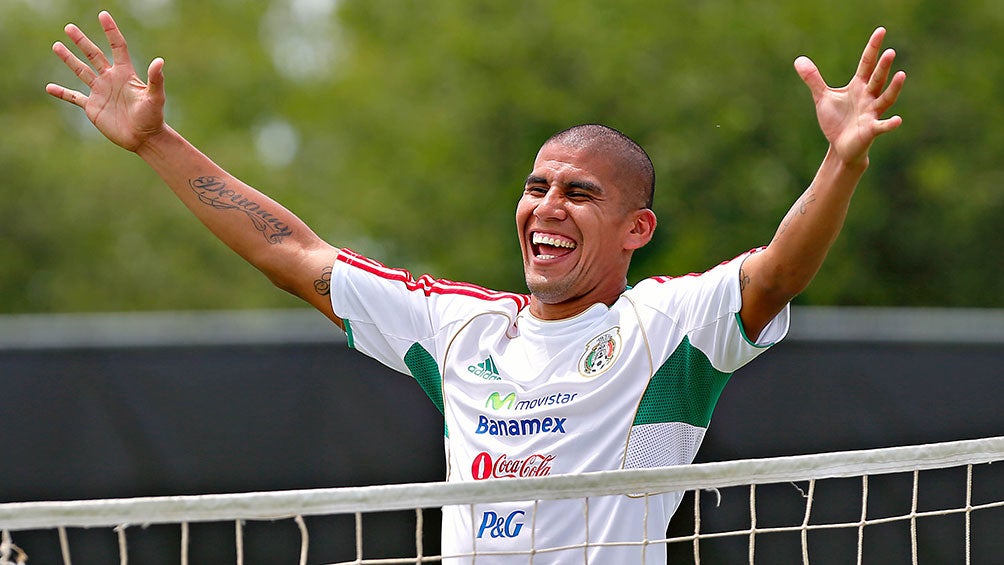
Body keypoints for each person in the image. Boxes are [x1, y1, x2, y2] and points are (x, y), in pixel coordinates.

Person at [46, 11, 905, 564]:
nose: (546, 207)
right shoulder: (459, 329)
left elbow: (780, 268)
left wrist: (840, 160)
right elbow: (296, 255)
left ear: (637, 229)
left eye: (578, 192)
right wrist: (158, 144)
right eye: (537, 186)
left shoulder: (668, 328)